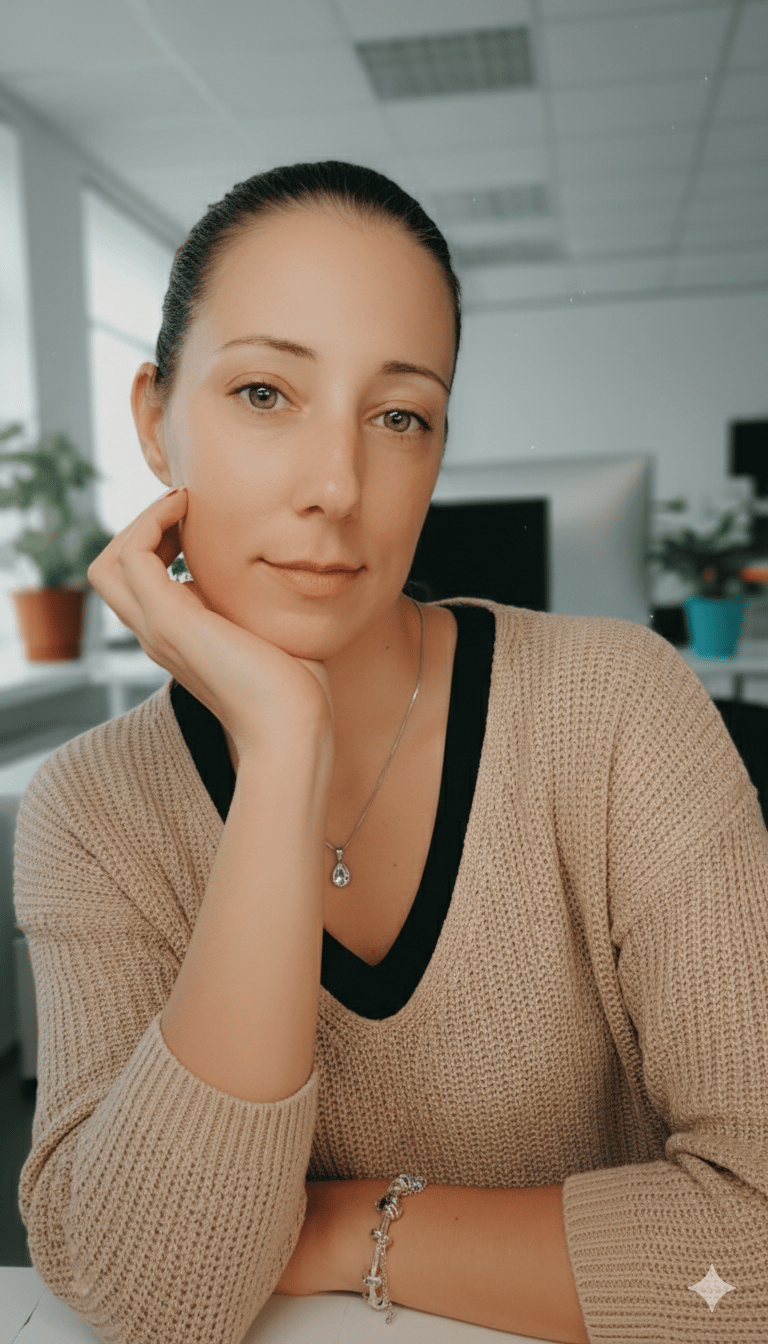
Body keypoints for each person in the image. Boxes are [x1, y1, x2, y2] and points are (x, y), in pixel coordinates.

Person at [14, 161, 768, 1344]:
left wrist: (333, 1230)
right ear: (157, 421)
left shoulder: (620, 709)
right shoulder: (90, 812)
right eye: (265, 392)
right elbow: (149, 1292)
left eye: (399, 416)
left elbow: (751, 1258)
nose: (337, 485)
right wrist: (281, 749)